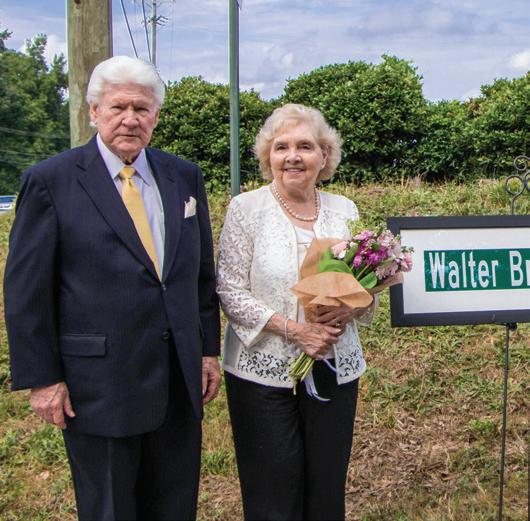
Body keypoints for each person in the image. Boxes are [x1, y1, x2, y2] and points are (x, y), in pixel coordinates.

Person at [4, 55, 220, 521]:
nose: (130, 119)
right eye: (119, 107)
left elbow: (200, 275)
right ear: (94, 111)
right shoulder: (50, 182)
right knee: (110, 508)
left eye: (142, 109)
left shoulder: (184, 176)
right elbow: (26, 292)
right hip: (98, 386)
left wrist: (206, 351)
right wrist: (43, 379)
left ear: (156, 116)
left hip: (177, 380)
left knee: (175, 505)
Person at [217, 103, 378, 520]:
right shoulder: (246, 209)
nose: (293, 156)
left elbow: (365, 283)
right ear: (268, 156)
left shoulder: (344, 210)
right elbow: (230, 290)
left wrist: (350, 310)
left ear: (324, 156)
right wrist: (295, 330)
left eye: (305, 147)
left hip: (333, 365)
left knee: (326, 486)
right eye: (281, 147)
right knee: (273, 489)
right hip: (262, 371)